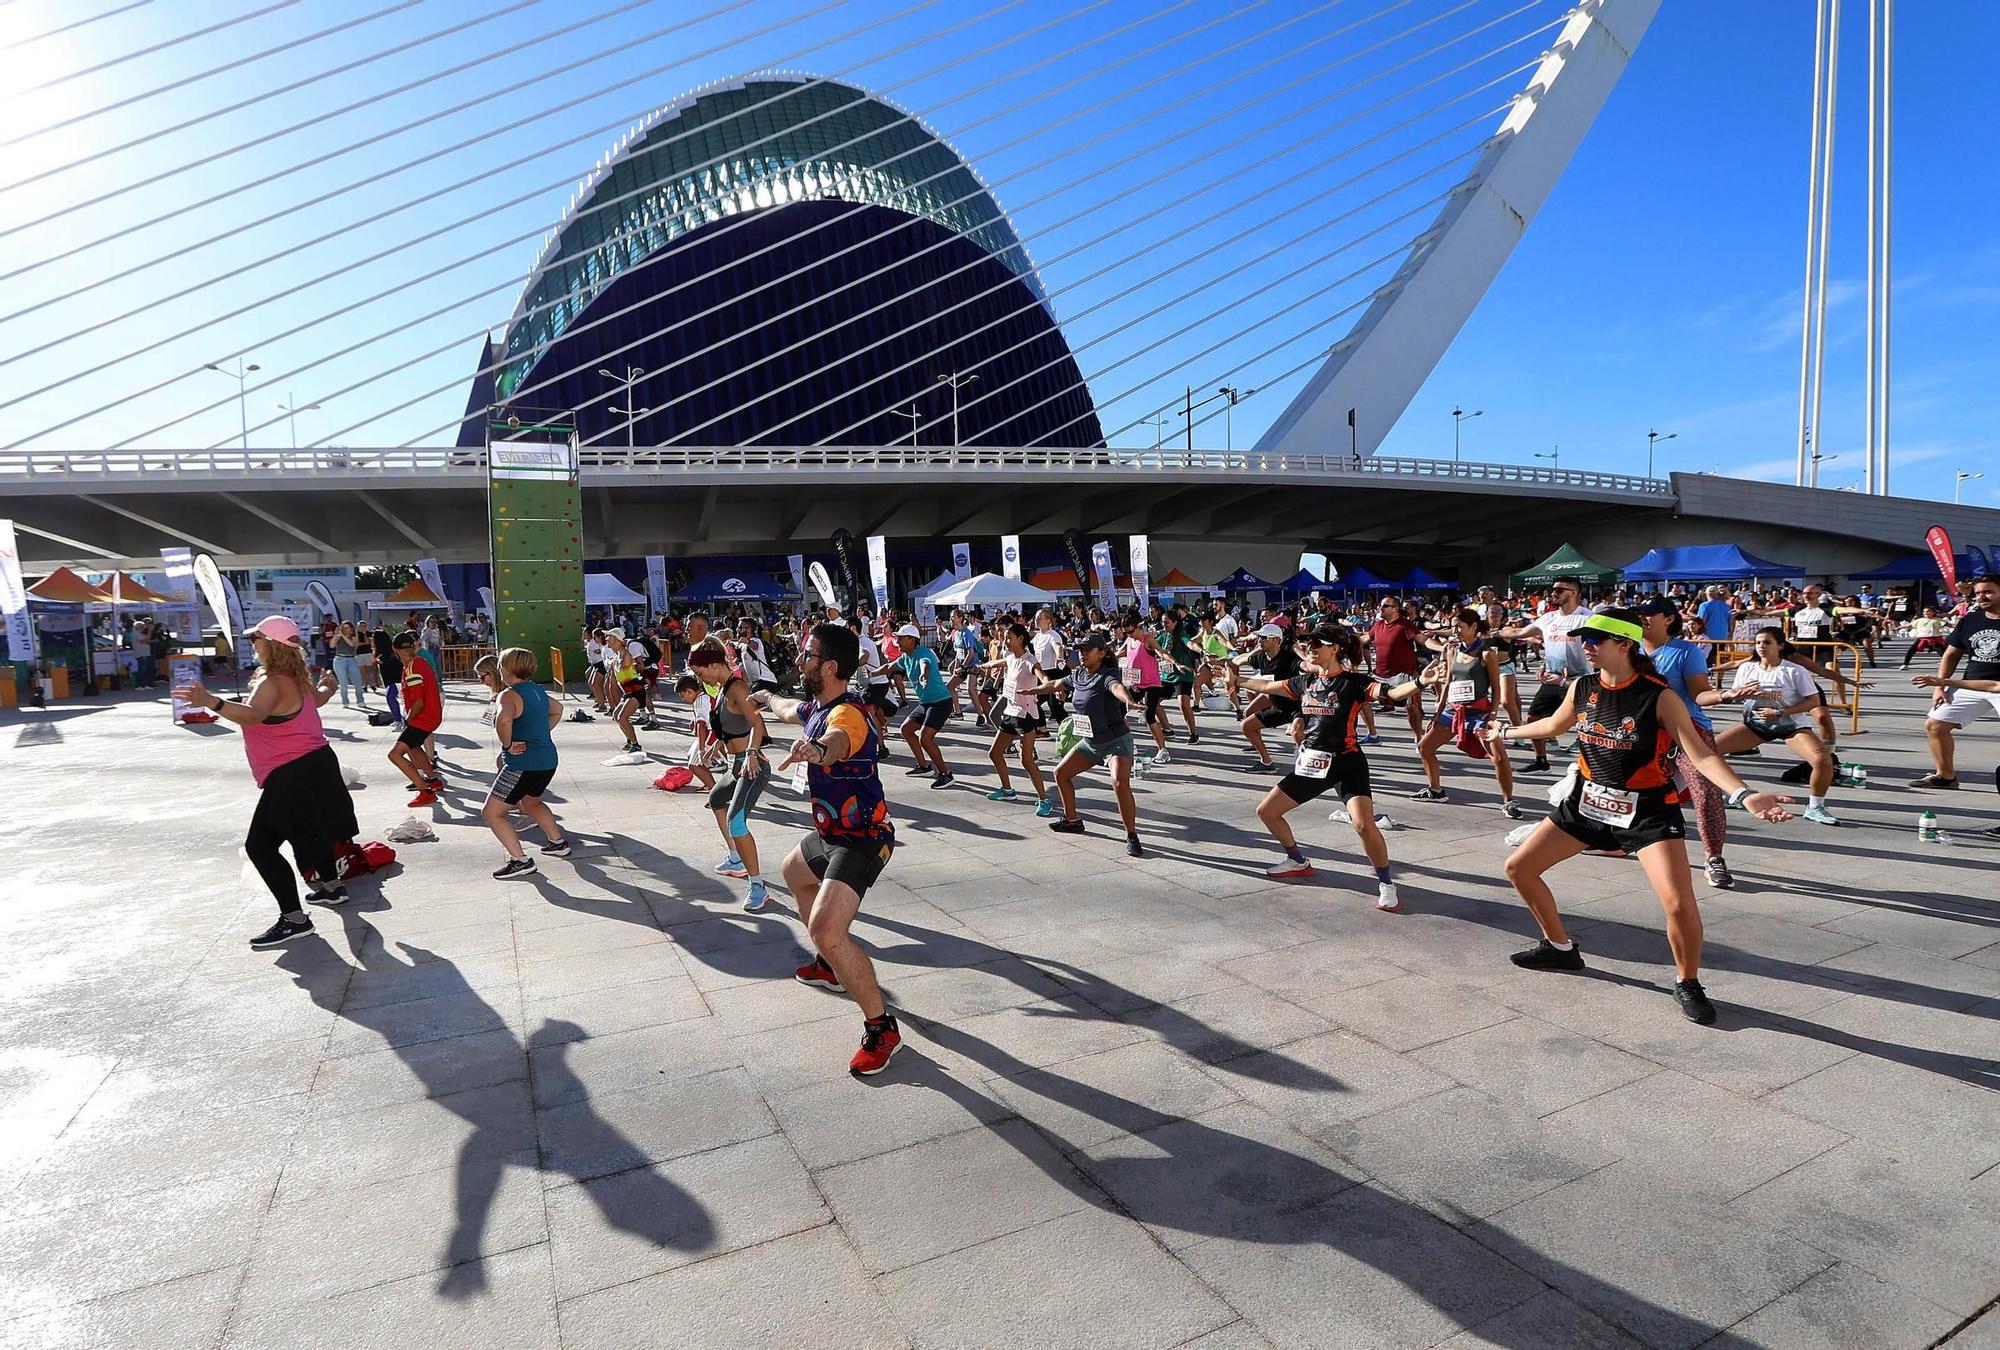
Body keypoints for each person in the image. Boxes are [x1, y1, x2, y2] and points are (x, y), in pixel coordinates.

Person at [1484, 608, 1796, 1024]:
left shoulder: (1658, 695)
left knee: (1679, 903)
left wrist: (1744, 793)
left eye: (1596, 639)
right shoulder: (1583, 686)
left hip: (1647, 810)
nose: (1586, 645)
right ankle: (1559, 948)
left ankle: (1688, 982)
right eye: (1584, 639)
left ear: (1625, 644)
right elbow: (1553, 727)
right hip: (1587, 803)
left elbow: (1699, 753)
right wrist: (1504, 733)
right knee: (1519, 868)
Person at [757, 623, 902, 1076]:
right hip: (831, 834)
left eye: (807, 656)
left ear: (831, 666)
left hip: (863, 838)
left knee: (826, 927)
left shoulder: (848, 716)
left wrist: (816, 753)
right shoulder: (819, 706)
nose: (800, 661)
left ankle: (882, 1028)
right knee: (793, 873)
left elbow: (836, 742)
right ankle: (828, 965)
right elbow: (786, 710)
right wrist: (763, 698)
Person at [173, 616, 358, 948]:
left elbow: (252, 716)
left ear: (270, 644)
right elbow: (319, 698)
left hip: (291, 772)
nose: (253, 643)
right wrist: (329, 684)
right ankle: (332, 887)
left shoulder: (272, 682)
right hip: (316, 764)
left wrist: (211, 702)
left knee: (260, 846)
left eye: (256, 638)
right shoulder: (297, 678)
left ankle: (295, 919)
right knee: (308, 833)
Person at [1237, 625, 1408, 910]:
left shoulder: (1354, 682)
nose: (1311, 648)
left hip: (1347, 763)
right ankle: (1297, 860)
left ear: (1335, 648)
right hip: (1314, 763)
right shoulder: (1307, 682)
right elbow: (1267, 687)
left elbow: (1392, 693)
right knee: (1267, 811)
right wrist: (1238, 681)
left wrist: (1421, 683)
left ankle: (1386, 883)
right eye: (1309, 643)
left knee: (1364, 825)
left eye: (1317, 643)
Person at [1636, 597, 1734, 888]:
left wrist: (1724, 696)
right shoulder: (1627, 649)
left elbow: (1700, 693)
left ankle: (1714, 858)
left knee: (1705, 793)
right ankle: (1616, 839)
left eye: (1648, 613)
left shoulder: (1685, 651)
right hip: (1644, 730)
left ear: (1668, 618)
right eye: (1638, 613)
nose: (1641, 618)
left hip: (1687, 729)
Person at [1706, 628, 1839, 824]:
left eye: (1767, 642)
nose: (1761, 646)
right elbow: (1738, 697)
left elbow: (1813, 701)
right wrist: (1738, 694)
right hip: (1757, 725)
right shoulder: (1747, 669)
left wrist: (1780, 712)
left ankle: (1816, 807)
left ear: (1780, 646)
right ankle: (1734, 795)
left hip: (1791, 726)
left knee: (1823, 760)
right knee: (1709, 751)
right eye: (1758, 643)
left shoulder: (1794, 671)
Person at [1040, 630, 1146, 856]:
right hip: (1090, 742)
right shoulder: (1079, 675)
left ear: (1102, 653)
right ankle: (1072, 821)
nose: (1083, 654)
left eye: (1087, 650)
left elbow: (1116, 688)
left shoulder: (1107, 675)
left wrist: (1128, 700)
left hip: (1116, 740)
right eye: (1080, 650)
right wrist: (1033, 690)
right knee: (1061, 774)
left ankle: (1131, 835)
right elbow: (1056, 684)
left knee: (1119, 783)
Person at [1412, 608, 1522, 818]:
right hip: (1453, 710)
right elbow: (1448, 683)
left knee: (1499, 757)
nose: (1456, 630)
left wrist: (1492, 714)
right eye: (1453, 626)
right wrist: (1438, 710)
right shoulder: (1453, 650)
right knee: (1425, 747)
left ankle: (1509, 801)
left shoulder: (1487, 652)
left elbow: (1496, 688)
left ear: (1473, 627)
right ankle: (1436, 790)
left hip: (1478, 712)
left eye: (1460, 626)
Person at [690, 638, 773, 911]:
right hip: (734, 765)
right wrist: (716, 744)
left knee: (737, 823)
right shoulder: (723, 689)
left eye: (701, 673)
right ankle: (736, 857)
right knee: (716, 800)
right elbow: (730, 725)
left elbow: (757, 725)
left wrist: (750, 753)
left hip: (751, 765)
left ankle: (758, 886)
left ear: (714, 665)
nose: (699, 679)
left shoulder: (737, 687)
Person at [482, 647, 571, 878]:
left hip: (522, 764)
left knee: (492, 813)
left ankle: (520, 860)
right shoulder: (538, 691)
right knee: (531, 803)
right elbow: (558, 710)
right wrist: (540, 734)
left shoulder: (509, 695)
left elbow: (503, 721)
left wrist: (508, 745)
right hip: (547, 760)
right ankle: (558, 842)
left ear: (506, 669)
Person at [1914, 575, 2000, 790]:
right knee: (1935, 725)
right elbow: (1951, 654)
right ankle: (1945, 776)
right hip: (1971, 684)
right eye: (1978, 592)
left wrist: (1944, 681)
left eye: (1988, 592)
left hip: (1997, 686)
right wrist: (1940, 687)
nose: (1981, 597)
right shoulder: (1971, 619)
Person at [1502, 580, 1595, 772]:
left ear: (1574, 592)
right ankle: (1541, 759)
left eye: (1559, 590)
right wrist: (1490, 632)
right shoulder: (1548, 618)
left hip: (1579, 680)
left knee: (1588, 725)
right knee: (1534, 718)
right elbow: (1519, 632)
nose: (1553, 593)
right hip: (1552, 678)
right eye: (1552, 590)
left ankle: (1592, 767)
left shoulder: (1588, 618)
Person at [974, 622, 1049, 806]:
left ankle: (1043, 800)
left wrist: (1048, 687)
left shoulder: (1029, 660)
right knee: (995, 753)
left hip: (1026, 716)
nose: (1005, 641)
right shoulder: (1010, 657)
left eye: (1009, 638)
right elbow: (996, 663)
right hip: (1010, 712)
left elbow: (1043, 676)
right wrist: (982, 666)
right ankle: (1007, 790)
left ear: (1021, 639)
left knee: (1027, 760)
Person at [890, 622, 954, 787]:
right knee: (906, 729)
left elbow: (924, 664)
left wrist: (924, 675)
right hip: (926, 703)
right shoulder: (906, 656)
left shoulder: (924, 653)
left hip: (940, 702)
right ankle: (924, 766)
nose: (897, 642)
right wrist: (874, 673)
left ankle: (946, 774)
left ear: (912, 640)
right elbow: (889, 666)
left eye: (901, 639)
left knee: (925, 738)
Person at [1232, 623, 1301, 773]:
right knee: (1246, 724)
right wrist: (1216, 662)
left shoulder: (1290, 658)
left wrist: (1296, 647)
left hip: (1298, 707)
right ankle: (1267, 763)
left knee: (1297, 732)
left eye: (1264, 638)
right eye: (1259, 637)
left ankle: (1309, 762)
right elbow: (1239, 659)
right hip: (1278, 706)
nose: (1259, 641)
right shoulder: (1261, 657)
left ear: (1277, 640)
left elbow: (1308, 665)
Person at [389, 631, 445, 806]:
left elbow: (418, 702)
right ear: (414, 646)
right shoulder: (420, 662)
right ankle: (433, 780)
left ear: (394, 650)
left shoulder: (412, 668)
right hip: (431, 716)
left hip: (423, 718)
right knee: (413, 747)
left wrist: (408, 720)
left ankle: (425, 791)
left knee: (395, 755)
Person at [1365, 596, 1427, 743]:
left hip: (1403, 674)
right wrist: (1345, 640)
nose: (1381, 608)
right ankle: (1373, 735)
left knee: (1411, 707)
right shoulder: (1378, 625)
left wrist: (1440, 646)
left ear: (1395, 608)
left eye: (1385, 606)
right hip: (1380, 674)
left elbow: (1423, 639)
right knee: (1360, 698)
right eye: (1380, 605)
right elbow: (1364, 638)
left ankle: (1419, 739)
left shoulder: (1406, 625)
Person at [331, 620, 366, 708]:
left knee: (357, 681)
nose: (345, 629)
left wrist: (343, 636)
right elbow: (332, 645)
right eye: (343, 628)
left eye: (347, 627)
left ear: (351, 628)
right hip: (339, 659)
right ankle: (345, 701)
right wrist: (336, 636)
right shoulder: (339, 636)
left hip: (351, 659)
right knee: (343, 682)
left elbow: (352, 645)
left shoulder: (354, 635)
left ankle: (360, 700)